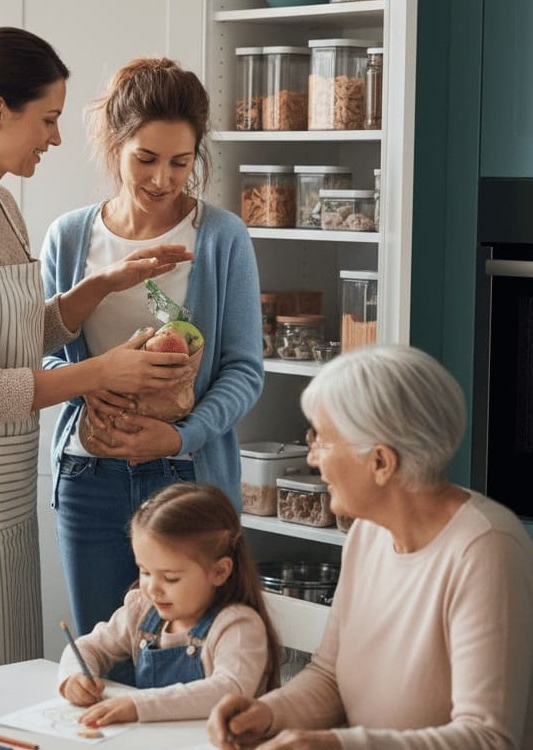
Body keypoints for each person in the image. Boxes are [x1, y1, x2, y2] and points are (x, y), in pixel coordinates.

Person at [0, 29, 193, 672]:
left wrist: (105, 284)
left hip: (3, 484)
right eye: (48, 119)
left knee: (9, 680)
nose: (55, 138)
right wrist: (97, 373)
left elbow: (26, 332)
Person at [208, 344, 533, 750]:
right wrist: (269, 712)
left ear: (380, 462)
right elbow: (329, 676)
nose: (312, 458)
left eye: (322, 440)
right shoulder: (368, 533)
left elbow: (488, 737)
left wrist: (340, 745)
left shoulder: (485, 549)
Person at [41, 57, 264, 639]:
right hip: (90, 476)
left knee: (187, 660)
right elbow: (36, 354)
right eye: (146, 158)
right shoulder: (70, 238)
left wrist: (180, 435)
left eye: (180, 162)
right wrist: (92, 381)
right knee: (102, 653)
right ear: (115, 144)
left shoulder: (220, 238)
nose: (163, 179)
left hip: (186, 478)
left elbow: (243, 370)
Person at [57, 482, 281, 726]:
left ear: (219, 571)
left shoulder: (238, 626)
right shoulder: (142, 610)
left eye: (170, 578)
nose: (153, 588)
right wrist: (74, 677)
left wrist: (138, 705)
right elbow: (88, 647)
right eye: (144, 572)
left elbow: (228, 690)